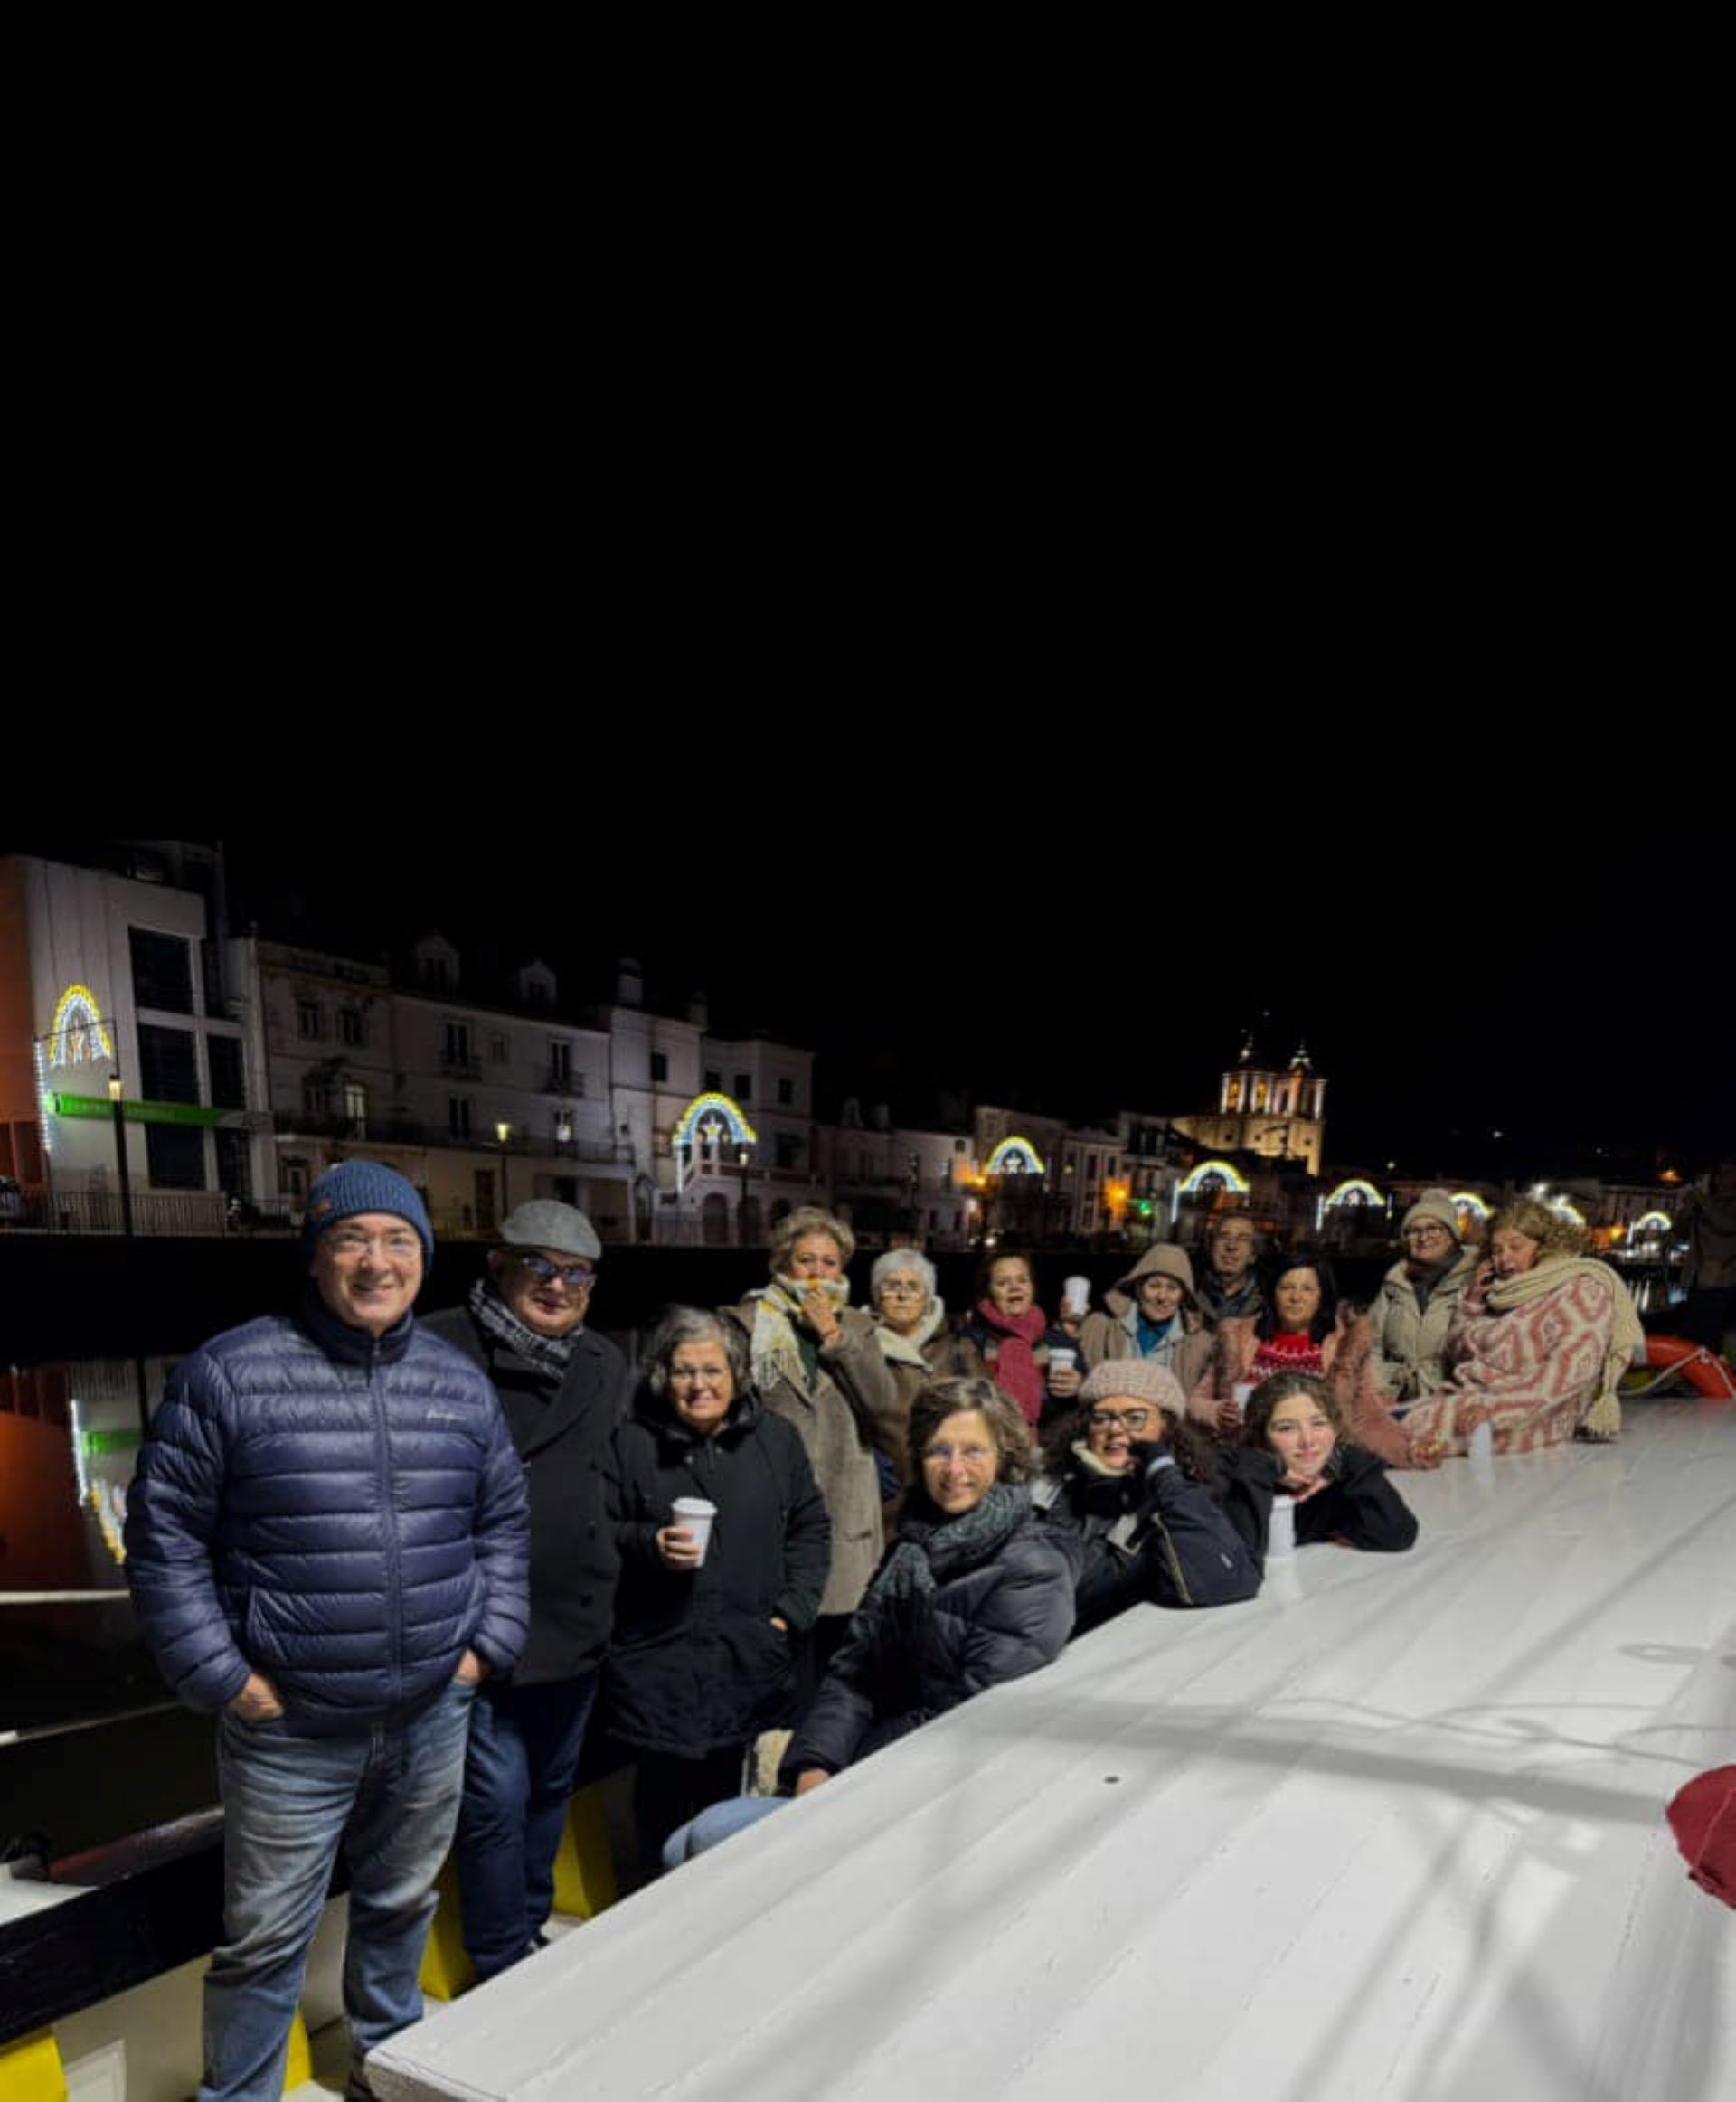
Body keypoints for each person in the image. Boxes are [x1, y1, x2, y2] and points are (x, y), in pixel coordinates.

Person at [124, 1161, 529, 2102]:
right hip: (288, 1731)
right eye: (352, 1240)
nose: (376, 1262)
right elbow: (163, 1538)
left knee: (400, 1911)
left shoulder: (459, 1385)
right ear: (316, 1258)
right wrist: (225, 1678)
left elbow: (502, 1522)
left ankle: (386, 2080)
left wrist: (482, 1650)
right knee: (264, 1942)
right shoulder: (231, 1371)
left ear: (423, 1259)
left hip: (432, 1711)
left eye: (399, 1241)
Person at [421, 1201, 629, 1983]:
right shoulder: (439, 1345)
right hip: (482, 1630)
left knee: (549, 1789)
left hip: (578, 1619)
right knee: (493, 1804)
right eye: (538, 1265)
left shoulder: (604, 1362)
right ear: (497, 1267)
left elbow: (616, 1476)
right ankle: (501, 1955)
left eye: (576, 1272)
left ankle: (530, 1924)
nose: (557, 1284)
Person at [603, 1308, 829, 1871]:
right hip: (659, 1659)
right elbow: (598, 1531)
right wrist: (650, 1545)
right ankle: (651, 1914)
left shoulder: (776, 1439)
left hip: (747, 1651)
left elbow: (810, 1527)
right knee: (657, 1803)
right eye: (683, 1372)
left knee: (725, 1810)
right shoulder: (631, 1443)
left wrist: (790, 1613)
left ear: (736, 1374)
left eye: (712, 1370)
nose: (699, 1385)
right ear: (662, 1378)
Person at [781, 1377, 1076, 1792]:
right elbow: (856, 1671)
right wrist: (815, 1762)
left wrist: (845, 1776)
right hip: (878, 1757)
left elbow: (967, 1717)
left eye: (973, 1451)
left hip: (938, 1783)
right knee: (695, 1836)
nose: (954, 1469)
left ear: (1005, 1457)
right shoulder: (914, 1543)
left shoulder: (1032, 1567)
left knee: (704, 1835)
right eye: (939, 1450)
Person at [1401, 1198, 1643, 1457]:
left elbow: (1567, 1376)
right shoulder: (1498, 1292)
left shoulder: (1579, 1292)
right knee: (1375, 1426)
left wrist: (1497, 1412)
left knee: (1386, 1437)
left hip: (1531, 1419)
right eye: (1496, 1250)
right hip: (1468, 1400)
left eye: (1516, 1247)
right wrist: (1471, 1305)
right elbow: (1457, 1355)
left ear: (1545, 1247)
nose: (1503, 1260)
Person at [1034, 1361, 1262, 1633]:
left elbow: (1227, 1581)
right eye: (1102, 1417)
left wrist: (1162, 1474)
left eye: (1135, 1418)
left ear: (1165, 1427)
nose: (1116, 1429)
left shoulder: (1179, 1496)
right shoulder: (1047, 1484)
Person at [1190, 1249, 1416, 1467]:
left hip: (1318, 1466)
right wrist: (1217, 1412)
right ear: (1272, 1293)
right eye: (1286, 1287)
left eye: (1307, 1289)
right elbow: (1196, 1402)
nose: (1296, 1298)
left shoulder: (1343, 1346)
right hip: (1249, 1462)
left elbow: (1369, 1415)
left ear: (1322, 1297)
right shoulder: (1239, 1338)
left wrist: (1408, 1450)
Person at [1221, 1370, 1419, 1556]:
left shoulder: (1339, 1486)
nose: (1307, 1441)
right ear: (1260, 1438)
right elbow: (1236, 1554)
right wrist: (1260, 1467)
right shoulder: (1237, 1481)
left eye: (1318, 1424)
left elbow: (1398, 1535)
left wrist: (1349, 1461)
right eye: (1287, 1428)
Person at [866, 1247, 985, 1524]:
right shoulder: (858, 1348)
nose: (902, 1295)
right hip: (885, 1502)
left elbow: (988, 1418)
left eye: (913, 1286)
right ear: (876, 1295)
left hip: (953, 1490)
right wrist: (862, 1461)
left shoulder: (958, 1348)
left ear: (928, 1297)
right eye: (892, 1285)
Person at [1364, 1191, 1481, 1406]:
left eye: (1433, 1228)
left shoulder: (1475, 1279)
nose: (1423, 1237)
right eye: (1413, 1231)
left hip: (1451, 1404)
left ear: (1451, 1235)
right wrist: (1380, 1390)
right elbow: (1372, 1344)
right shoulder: (1396, 1282)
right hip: (1397, 1405)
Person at [961, 1251, 1082, 1429]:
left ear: (1032, 1288)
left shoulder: (1059, 1343)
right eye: (1003, 1283)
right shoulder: (971, 1342)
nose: (1015, 1287)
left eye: (1022, 1280)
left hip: (1049, 1451)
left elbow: (1088, 1405)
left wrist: (1080, 1387)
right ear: (989, 1292)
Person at [1077, 1243, 1213, 1392]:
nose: (1162, 1297)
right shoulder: (1100, 1327)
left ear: (1183, 1296)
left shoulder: (1201, 1344)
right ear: (1138, 1288)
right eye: (1154, 1286)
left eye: (1172, 1288)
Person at [1675, 1159, 1736, 1357]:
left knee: (1713, 1340)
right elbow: (1679, 1232)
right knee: (1692, 1337)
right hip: (1697, 1279)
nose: (1729, 1179)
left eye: (1732, 1174)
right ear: (1715, 1178)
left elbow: (1726, 1225)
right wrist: (1687, 1209)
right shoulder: (1703, 1203)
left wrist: (1700, 1198)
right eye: (1724, 1174)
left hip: (1724, 1281)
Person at [1195, 1212, 1264, 1325]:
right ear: (1211, 1247)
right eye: (1224, 1237)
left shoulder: (1267, 1303)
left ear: (1253, 1255)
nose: (1231, 1246)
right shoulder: (1187, 1293)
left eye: (1242, 1239)